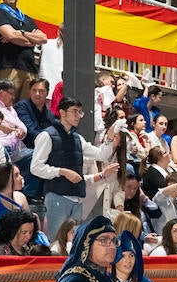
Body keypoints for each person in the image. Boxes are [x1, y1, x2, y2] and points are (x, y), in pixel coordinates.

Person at [30, 97, 118, 233]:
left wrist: (110, 137)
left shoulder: (78, 139)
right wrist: (62, 171)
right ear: (62, 112)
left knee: (73, 244)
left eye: (80, 112)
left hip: (77, 198)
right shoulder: (47, 135)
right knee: (56, 241)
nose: (78, 116)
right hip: (57, 196)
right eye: (74, 111)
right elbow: (35, 168)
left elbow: (101, 155)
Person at [0, 0, 47, 97]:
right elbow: (11, 36)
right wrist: (31, 40)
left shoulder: (27, 19)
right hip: (8, 67)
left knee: (24, 110)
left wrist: (22, 33)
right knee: (5, 105)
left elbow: (43, 39)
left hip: (29, 69)